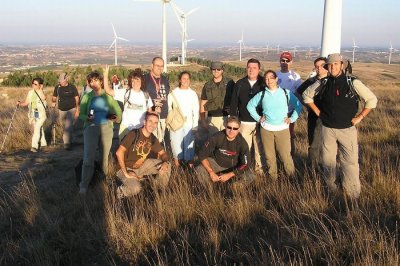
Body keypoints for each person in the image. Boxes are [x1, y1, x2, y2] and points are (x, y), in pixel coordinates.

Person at [302, 53, 378, 199]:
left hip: (347, 129)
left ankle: (352, 194)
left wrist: (359, 117)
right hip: (327, 129)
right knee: (327, 162)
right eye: (329, 65)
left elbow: (371, 100)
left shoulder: (352, 82)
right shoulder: (323, 82)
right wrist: (318, 113)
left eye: (336, 64)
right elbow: (306, 95)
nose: (332, 67)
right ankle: (331, 191)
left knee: (349, 162)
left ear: (342, 65)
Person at [247, 70, 302, 180]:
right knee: (269, 157)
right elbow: (250, 106)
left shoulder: (286, 93)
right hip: (266, 129)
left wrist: (292, 119)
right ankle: (273, 179)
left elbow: (298, 106)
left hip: (282, 129)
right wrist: (258, 118)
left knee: (285, 156)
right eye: (266, 79)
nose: (268, 81)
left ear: (276, 79)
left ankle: (292, 178)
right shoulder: (262, 94)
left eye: (271, 78)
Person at [78, 71, 122, 195]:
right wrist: (87, 117)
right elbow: (81, 114)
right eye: (91, 81)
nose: (93, 83)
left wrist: (111, 117)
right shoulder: (87, 96)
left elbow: (118, 112)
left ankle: (104, 181)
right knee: (88, 157)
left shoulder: (108, 96)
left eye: (96, 80)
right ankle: (84, 185)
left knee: (104, 158)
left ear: (101, 81)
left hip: (106, 129)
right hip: (91, 128)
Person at [115, 112, 171, 197]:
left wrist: (165, 162)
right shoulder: (133, 134)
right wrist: (126, 173)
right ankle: (120, 192)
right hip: (124, 168)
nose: (153, 124)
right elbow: (119, 152)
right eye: (150, 121)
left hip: (140, 166)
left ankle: (158, 190)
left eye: (155, 122)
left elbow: (163, 153)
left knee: (167, 165)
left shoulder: (152, 138)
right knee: (136, 188)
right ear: (144, 122)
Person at [195, 116, 254, 185]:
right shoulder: (217, 137)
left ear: (238, 129)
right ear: (225, 126)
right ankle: (209, 188)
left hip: (233, 167)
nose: (231, 131)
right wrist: (211, 172)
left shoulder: (242, 143)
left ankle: (233, 189)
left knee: (250, 176)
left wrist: (230, 175)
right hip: (216, 164)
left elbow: (246, 164)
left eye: (235, 128)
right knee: (199, 169)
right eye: (229, 127)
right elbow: (202, 154)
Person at [230, 58, 265, 172]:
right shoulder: (240, 84)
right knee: (245, 150)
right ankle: (245, 171)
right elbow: (234, 103)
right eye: (249, 67)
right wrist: (235, 121)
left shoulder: (264, 83)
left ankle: (260, 171)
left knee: (260, 150)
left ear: (259, 69)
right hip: (243, 123)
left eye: (254, 68)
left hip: (260, 123)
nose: (251, 70)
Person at [104, 66, 153, 141]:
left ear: (141, 82)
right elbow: (108, 91)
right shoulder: (125, 92)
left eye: (137, 81)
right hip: (126, 129)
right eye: (133, 81)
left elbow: (149, 113)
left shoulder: (146, 96)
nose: (135, 83)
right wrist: (105, 76)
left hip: (141, 130)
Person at [296, 57, 328, 166]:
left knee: (328, 144)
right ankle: (313, 170)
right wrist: (307, 106)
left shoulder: (332, 80)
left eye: (322, 66)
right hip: (314, 117)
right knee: (314, 144)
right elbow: (298, 93)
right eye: (316, 66)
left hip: (329, 117)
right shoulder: (311, 81)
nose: (319, 68)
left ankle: (327, 167)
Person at [168, 71, 199, 167]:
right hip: (176, 125)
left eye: (187, 78)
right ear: (179, 80)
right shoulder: (173, 93)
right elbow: (169, 109)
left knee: (189, 147)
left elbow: (195, 111)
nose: (185, 80)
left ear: (190, 80)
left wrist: (195, 127)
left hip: (189, 125)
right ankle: (177, 171)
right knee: (176, 147)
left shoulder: (193, 94)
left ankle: (189, 171)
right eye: (183, 78)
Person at [276, 52, 302, 155]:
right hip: (276, 111)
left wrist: (298, 110)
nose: (285, 62)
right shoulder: (275, 75)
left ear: (291, 62)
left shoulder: (296, 76)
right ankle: (278, 156)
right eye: (283, 60)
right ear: (280, 61)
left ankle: (290, 156)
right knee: (277, 135)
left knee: (289, 135)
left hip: (290, 111)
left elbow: (299, 94)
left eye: (287, 61)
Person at [200, 61, 235, 136]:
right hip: (212, 118)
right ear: (211, 70)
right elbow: (203, 103)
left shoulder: (230, 83)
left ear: (222, 70)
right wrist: (203, 120)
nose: (216, 71)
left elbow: (236, 99)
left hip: (227, 118)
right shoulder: (207, 85)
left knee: (227, 143)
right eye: (214, 69)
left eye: (218, 69)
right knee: (214, 143)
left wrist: (234, 114)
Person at [17, 77, 48, 152]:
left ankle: (34, 146)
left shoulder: (41, 92)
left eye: (35, 84)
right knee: (39, 128)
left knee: (37, 128)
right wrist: (20, 103)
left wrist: (40, 89)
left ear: (40, 85)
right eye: (33, 83)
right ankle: (44, 144)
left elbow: (44, 98)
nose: (33, 85)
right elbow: (26, 102)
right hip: (33, 113)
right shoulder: (30, 92)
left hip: (41, 114)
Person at [144, 57, 170, 143]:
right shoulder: (145, 79)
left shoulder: (165, 80)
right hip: (150, 116)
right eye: (157, 65)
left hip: (162, 116)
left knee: (159, 142)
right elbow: (142, 97)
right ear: (152, 65)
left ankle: (158, 157)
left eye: (162, 66)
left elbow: (166, 95)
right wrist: (153, 106)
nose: (160, 68)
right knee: (149, 141)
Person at [52, 72, 79, 150]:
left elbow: (77, 98)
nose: (60, 82)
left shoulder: (72, 87)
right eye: (59, 81)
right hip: (61, 110)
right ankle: (70, 139)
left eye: (61, 81)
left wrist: (77, 109)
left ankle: (66, 144)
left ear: (66, 79)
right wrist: (53, 103)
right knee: (65, 126)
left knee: (68, 126)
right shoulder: (57, 87)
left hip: (71, 109)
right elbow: (54, 96)